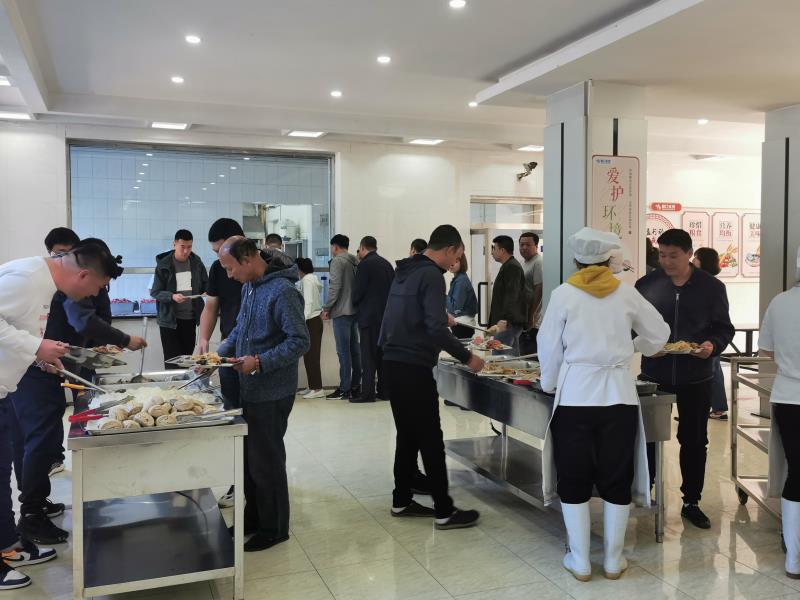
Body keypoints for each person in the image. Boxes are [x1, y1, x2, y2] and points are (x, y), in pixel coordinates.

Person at [538, 228, 670, 582]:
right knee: (616, 474)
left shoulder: (564, 294)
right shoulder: (626, 294)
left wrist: (549, 382)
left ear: (576, 260)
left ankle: (580, 560)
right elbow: (660, 333)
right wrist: (633, 346)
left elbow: (548, 345)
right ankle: (613, 560)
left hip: (575, 395)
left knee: (574, 474)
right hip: (618, 396)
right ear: (609, 260)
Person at [0, 244, 119, 589]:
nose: (94, 295)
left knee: (2, 472)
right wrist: (36, 347)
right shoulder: (27, 279)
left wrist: (38, 356)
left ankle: (8, 546)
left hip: (4, 388)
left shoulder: (42, 281)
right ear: (83, 274)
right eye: (97, 287)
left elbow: (13, 329)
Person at [380, 224, 485, 529]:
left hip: (392, 361)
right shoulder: (431, 275)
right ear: (450, 249)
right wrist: (468, 357)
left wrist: (441, 317)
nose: (456, 263)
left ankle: (401, 500)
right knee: (430, 438)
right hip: (413, 366)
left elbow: (406, 314)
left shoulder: (407, 269)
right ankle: (444, 511)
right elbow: (435, 330)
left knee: (408, 435)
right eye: (457, 256)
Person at [635, 228, 734, 530]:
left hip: (696, 376)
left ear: (689, 254)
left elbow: (723, 328)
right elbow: (632, 326)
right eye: (662, 255)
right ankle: (645, 493)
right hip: (654, 374)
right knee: (648, 438)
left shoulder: (711, 287)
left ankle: (692, 501)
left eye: (673, 256)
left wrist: (712, 346)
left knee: (694, 440)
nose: (666, 262)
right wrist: (646, 345)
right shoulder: (647, 285)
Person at [217, 237, 309, 552]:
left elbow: (299, 341)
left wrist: (259, 362)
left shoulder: (283, 291)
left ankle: (274, 528)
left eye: (230, 268)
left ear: (247, 259)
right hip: (246, 388)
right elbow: (241, 328)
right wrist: (219, 353)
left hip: (272, 391)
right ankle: (254, 517)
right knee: (248, 460)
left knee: (266, 461)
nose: (229, 275)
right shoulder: (250, 287)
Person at [198, 218, 245, 510]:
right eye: (216, 253)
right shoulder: (218, 269)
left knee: (258, 424)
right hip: (229, 352)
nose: (220, 260)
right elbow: (211, 306)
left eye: (221, 251)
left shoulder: (260, 265)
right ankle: (237, 481)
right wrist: (204, 341)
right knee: (234, 418)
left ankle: (258, 482)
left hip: (254, 355)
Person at [759, 249, 800, 579]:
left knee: (797, 471)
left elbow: (768, 350)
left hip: (789, 396)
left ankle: (794, 560)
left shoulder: (780, 302)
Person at [151, 229, 208, 369]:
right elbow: (155, 292)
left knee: (186, 361)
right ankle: (171, 383)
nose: (186, 251)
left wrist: (207, 291)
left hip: (190, 319)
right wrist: (172, 296)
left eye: (189, 247)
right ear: (174, 244)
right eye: (182, 247)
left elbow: (205, 284)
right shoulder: (164, 264)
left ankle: (184, 383)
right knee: (172, 362)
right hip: (170, 321)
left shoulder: (196, 262)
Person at [352, 236, 394, 403]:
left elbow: (358, 292)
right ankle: (384, 391)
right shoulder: (387, 264)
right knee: (383, 356)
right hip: (386, 319)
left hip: (369, 318)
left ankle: (367, 393)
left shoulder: (364, 265)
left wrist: (355, 302)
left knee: (368, 357)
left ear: (363, 248)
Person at [322, 234, 361, 400]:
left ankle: (345, 388)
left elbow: (335, 287)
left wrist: (326, 307)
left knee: (343, 352)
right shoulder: (354, 260)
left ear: (335, 246)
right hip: (354, 311)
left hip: (341, 312)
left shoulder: (337, 261)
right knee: (355, 350)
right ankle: (356, 385)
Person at [693, 247, 728, 420]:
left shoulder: (710, 285)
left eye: (695, 257)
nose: (693, 260)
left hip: (708, 337)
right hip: (710, 337)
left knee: (712, 372)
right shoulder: (708, 283)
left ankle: (717, 408)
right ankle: (718, 408)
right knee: (715, 371)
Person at [488, 235, 528, 354]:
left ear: (502, 250)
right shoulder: (508, 266)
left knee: (500, 357)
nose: (492, 252)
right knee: (510, 357)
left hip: (507, 323)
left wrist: (504, 320)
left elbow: (512, 295)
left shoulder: (512, 267)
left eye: (494, 248)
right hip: (507, 322)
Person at [296, 258, 324, 399]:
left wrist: (302, 320)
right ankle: (312, 385)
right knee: (308, 355)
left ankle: (317, 388)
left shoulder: (307, 280)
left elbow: (308, 302)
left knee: (312, 356)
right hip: (314, 320)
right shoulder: (312, 278)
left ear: (300, 269)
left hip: (311, 320)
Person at [519, 232, 543, 355]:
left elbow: (539, 288)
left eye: (528, 244)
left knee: (530, 356)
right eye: (521, 244)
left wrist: (532, 316)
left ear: (536, 246)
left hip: (534, 322)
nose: (524, 247)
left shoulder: (538, 262)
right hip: (526, 317)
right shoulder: (524, 263)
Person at [447, 254, 477, 339]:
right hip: (463, 324)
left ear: (462, 262)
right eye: (451, 260)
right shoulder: (459, 278)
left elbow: (456, 308)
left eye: (456, 261)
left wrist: (442, 296)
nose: (452, 264)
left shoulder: (461, 281)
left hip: (462, 325)